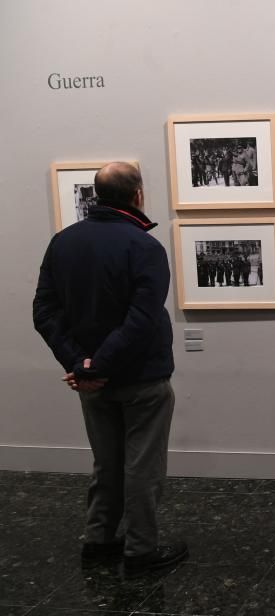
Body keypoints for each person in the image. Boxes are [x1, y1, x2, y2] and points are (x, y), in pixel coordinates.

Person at [32, 162, 187, 578]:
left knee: (106, 461)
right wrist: (97, 364)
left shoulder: (63, 242)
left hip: (90, 381)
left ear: (96, 196)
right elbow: (142, 318)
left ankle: (98, 539)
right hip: (141, 377)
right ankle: (140, 550)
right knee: (143, 466)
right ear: (138, 195)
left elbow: (44, 312)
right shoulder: (143, 247)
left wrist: (80, 365)